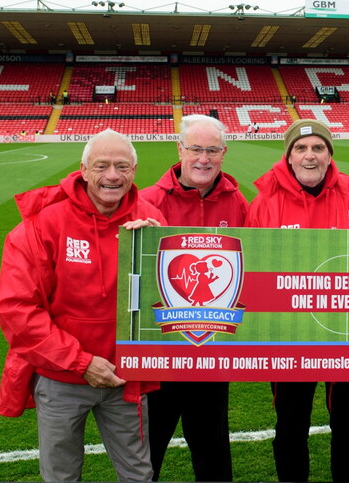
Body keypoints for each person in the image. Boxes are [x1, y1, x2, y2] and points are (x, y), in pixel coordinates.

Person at [0, 129, 167, 482]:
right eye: (101, 166)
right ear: (83, 170)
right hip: (62, 376)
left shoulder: (151, 219)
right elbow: (16, 309)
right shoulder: (44, 223)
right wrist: (81, 362)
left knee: (138, 473)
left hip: (125, 375)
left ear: (135, 170)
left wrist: (158, 252)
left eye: (122, 166)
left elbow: (174, 299)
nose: (113, 176)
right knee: (61, 474)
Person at [246, 119, 349, 482]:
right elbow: (252, 274)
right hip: (290, 337)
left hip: (346, 335)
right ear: (288, 157)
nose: (309, 156)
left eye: (318, 148)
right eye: (300, 149)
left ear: (330, 154)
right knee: (290, 426)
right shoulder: (264, 205)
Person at [139, 114, 247, 481]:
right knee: (147, 451)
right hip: (159, 352)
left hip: (212, 350)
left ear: (224, 153)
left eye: (212, 150)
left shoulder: (237, 203)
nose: (204, 158)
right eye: (196, 149)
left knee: (212, 447)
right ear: (180, 149)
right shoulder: (145, 201)